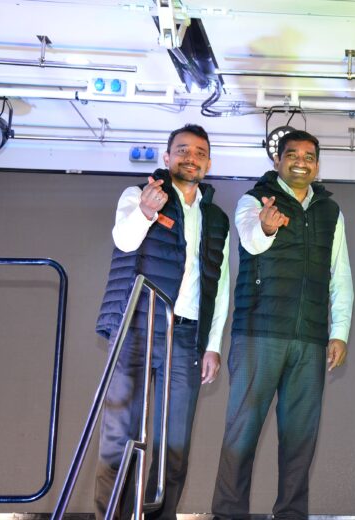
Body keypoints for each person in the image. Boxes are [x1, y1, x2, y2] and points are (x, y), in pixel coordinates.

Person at [212, 130, 353, 520]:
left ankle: (291, 514)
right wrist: (267, 227)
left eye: (310, 156)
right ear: (278, 160)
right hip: (259, 333)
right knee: (242, 432)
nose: (301, 162)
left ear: (317, 164)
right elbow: (250, 240)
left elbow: (339, 275)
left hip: (309, 338)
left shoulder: (330, 211)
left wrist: (338, 331)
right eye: (292, 154)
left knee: (300, 440)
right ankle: (228, 514)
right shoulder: (253, 200)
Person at [94, 123, 231, 520]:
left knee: (175, 439)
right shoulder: (139, 193)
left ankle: (161, 515)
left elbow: (217, 284)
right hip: (137, 326)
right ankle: (114, 516)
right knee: (121, 432)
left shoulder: (215, 217)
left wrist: (212, 345)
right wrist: (145, 211)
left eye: (200, 152)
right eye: (183, 150)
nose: (192, 157)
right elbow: (124, 240)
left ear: (208, 162)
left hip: (185, 335)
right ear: (167, 157)